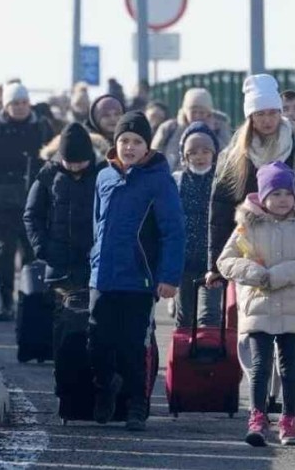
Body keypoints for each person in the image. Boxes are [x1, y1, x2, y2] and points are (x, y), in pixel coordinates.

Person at [89, 111, 184, 431]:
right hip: (103, 276)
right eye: (124, 141)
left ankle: (136, 406)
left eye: (136, 142)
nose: (129, 147)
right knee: (97, 341)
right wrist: (94, 260)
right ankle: (105, 388)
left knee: (133, 345)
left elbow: (174, 231)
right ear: (115, 143)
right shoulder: (104, 177)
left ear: (147, 146)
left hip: (139, 278)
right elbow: (97, 224)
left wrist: (169, 277)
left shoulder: (159, 180)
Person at [217, 161, 295, 447]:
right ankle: (257, 418)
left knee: (290, 368)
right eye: (275, 194)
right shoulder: (246, 227)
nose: (282, 200)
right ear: (262, 196)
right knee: (260, 366)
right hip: (258, 306)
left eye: (287, 193)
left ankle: (289, 421)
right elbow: (226, 260)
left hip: (291, 305)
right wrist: (253, 273)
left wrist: (278, 275)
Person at [206, 74, 295, 289]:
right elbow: (220, 210)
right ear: (250, 117)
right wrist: (215, 265)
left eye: (273, 113)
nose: (267, 120)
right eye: (260, 114)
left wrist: (292, 199)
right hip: (250, 250)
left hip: (291, 246)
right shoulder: (236, 155)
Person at [0, 82, 54, 321]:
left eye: (23, 103)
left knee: (32, 255)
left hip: (35, 201)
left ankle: (29, 301)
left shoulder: (41, 127)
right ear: (6, 105)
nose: (19, 108)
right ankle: (7, 302)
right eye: (14, 104)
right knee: (4, 254)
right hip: (3, 204)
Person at [23, 122, 99, 304]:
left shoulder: (101, 174)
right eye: (70, 163)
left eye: (80, 162)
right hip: (58, 262)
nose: (75, 168)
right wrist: (42, 248)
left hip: (93, 262)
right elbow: (32, 214)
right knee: (59, 318)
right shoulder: (48, 176)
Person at [171, 122, 222, 328]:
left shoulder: (221, 181)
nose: (199, 157)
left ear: (214, 154)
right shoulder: (177, 181)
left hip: (213, 261)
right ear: (184, 156)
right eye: (193, 152)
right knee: (185, 316)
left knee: (210, 316)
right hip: (184, 261)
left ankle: (210, 357)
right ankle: (184, 357)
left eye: (205, 151)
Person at [151, 87, 231, 172]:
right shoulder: (169, 128)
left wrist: (211, 132)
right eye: (193, 112)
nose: (197, 116)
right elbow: (154, 157)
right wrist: (181, 129)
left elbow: (227, 157)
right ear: (185, 111)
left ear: (208, 113)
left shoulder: (219, 127)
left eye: (201, 112)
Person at [41, 95, 122, 163]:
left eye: (117, 114)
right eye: (106, 115)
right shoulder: (82, 139)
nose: (113, 119)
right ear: (96, 118)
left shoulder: (129, 140)